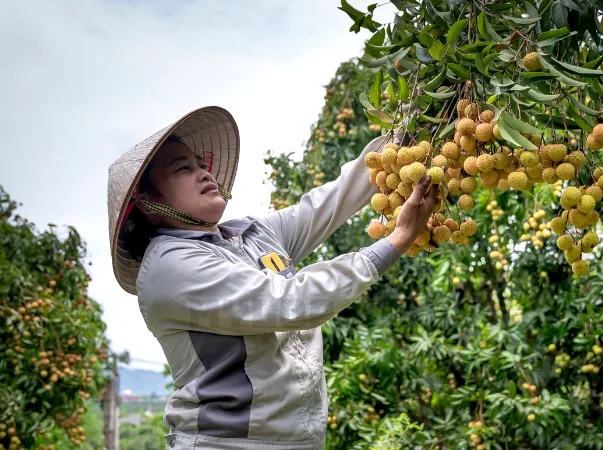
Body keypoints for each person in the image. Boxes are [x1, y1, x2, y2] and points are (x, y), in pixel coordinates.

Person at [106, 106, 437, 449]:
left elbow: (330, 202)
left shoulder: (250, 235)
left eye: (199, 164)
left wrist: (412, 129)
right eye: (183, 169)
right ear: (146, 203)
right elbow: (295, 301)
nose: (205, 174)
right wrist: (398, 239)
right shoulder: (171, 267)